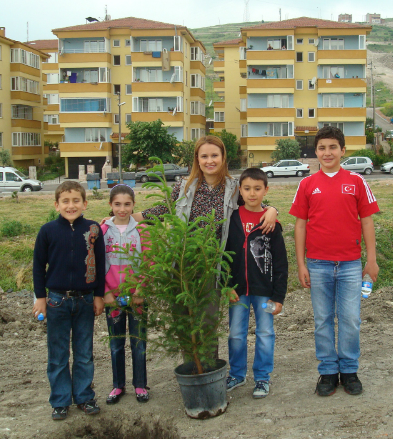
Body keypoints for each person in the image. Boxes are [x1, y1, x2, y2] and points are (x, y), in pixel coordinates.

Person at [131, 136, 278, 357]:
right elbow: (166, 209)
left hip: (213, 265)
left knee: (207, 322)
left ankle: (210, 369)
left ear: (223, 158)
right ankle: (191, 366)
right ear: (197, 160)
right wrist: (127, 218)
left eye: (214, 155)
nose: (210, 160)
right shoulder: (184, 185)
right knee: (184, 319)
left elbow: (255, 205)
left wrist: (273, 209)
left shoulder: (232, 188)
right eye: (204, 156)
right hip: (183, 262)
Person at [289, 126, 379, 397]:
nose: (327, 153)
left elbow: (367, 221)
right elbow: (300, 226)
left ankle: (349, 370)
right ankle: (328, 371)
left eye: (332, 147)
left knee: (350, 319)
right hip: (318, 264)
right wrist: (301, 264)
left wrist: (371, 260)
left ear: (343, 150)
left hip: (351, 265)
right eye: (321, 148)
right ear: (316, 152)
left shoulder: (357, 181)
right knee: (323, 319)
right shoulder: (307, 184)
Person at [33, 181, 106, 420]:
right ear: (57, 205)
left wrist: (98, 295)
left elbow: (101, 265)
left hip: (85, 300)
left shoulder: (94, 230)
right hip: (56, 301)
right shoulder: (47, 231)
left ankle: (84, 397)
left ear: (85, 203)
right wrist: (41, 298)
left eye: (76, 201)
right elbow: (38, 267)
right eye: (65, 201)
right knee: (58, 354)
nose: (71, 205)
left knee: (84, 352)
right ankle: (60, 400)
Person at [225, 168, 287, 399]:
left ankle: (262, 377)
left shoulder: (271, 224)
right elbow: (222, 256)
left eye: (257, 189)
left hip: (265, 293)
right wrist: (226, 284)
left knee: (265, 333)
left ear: (266, 190)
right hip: (237, 292)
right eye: (247, 188)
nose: (252, 193)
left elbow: (281, 264)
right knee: (236, 334)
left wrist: (278, 297)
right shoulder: (230, 219)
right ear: (240, 190)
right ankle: (237, 374)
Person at [100, 184, 150, 404]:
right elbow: (96, 263)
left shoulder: (142, 230)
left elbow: (149, 262)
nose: (122, 209)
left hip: (137, 296)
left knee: (139, 342)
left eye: (127, 204)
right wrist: (105, 293)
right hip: (112, 298)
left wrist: (141, 289)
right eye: (117, 204)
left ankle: (140, 384)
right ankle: (117, 386)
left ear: (133, 205)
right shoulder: (101, 231)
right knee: (116, 343)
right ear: (110, 205)